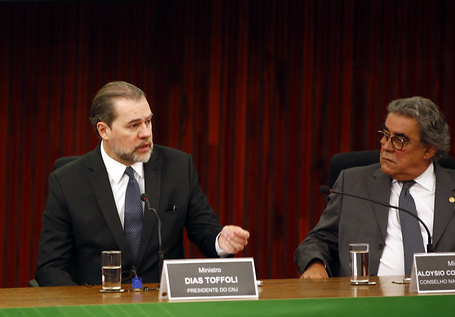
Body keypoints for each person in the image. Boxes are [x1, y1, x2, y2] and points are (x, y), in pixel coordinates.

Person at [36, 81, 250, 286]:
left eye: (148, 121)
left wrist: (220, 240)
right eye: (134, 125)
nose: (146, 133)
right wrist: (83, 311)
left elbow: (205, 230)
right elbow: (50, 267)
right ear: (104, 130)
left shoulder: (177, 167)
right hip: (97, 315)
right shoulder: (68, 181)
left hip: (163, 310)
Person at [295, 96, 455, 278]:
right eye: (386, 135)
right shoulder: (353, 184)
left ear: (428, 150)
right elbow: (319, 240)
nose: (386, 146)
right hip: (364, 300)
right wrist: (316, 264)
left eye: (399, 141)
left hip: (441, 301)